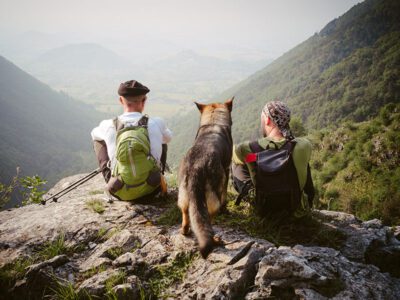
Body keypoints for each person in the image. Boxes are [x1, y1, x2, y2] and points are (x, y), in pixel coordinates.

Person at [91, 80, 172, 201]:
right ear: (144, 101)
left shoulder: (108, 125)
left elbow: (93, 134)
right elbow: (168, 138)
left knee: (98, 140)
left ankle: (111, 179)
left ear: (121, 100)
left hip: (119, 191)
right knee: (162, 139)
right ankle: (158, 175)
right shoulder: (156, 122)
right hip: (153, 188)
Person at [232, 100, 314, 213]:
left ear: (267, 119)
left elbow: (235, 155)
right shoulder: (304, 145)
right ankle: (307, 203)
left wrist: (254, 158)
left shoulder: (247, 149)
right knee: (303, 162)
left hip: (263, 212)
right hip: (293, 211)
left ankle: (252, 198)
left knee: (237, 164)